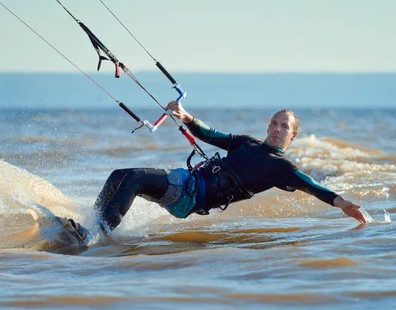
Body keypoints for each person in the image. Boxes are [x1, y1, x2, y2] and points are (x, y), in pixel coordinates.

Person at [64, 102, 366, 244]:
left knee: (134, 179)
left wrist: (343, 204)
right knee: (119, 175)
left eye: (284, 126)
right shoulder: (246, 143)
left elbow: (314, 187)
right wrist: (186, 116)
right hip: (184, 181)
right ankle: (91, 224)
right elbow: (211, 134)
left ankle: (95, 236)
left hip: (190, 197)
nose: (277, 128)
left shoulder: (282, 169)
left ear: (292, 137)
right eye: (274, 123)